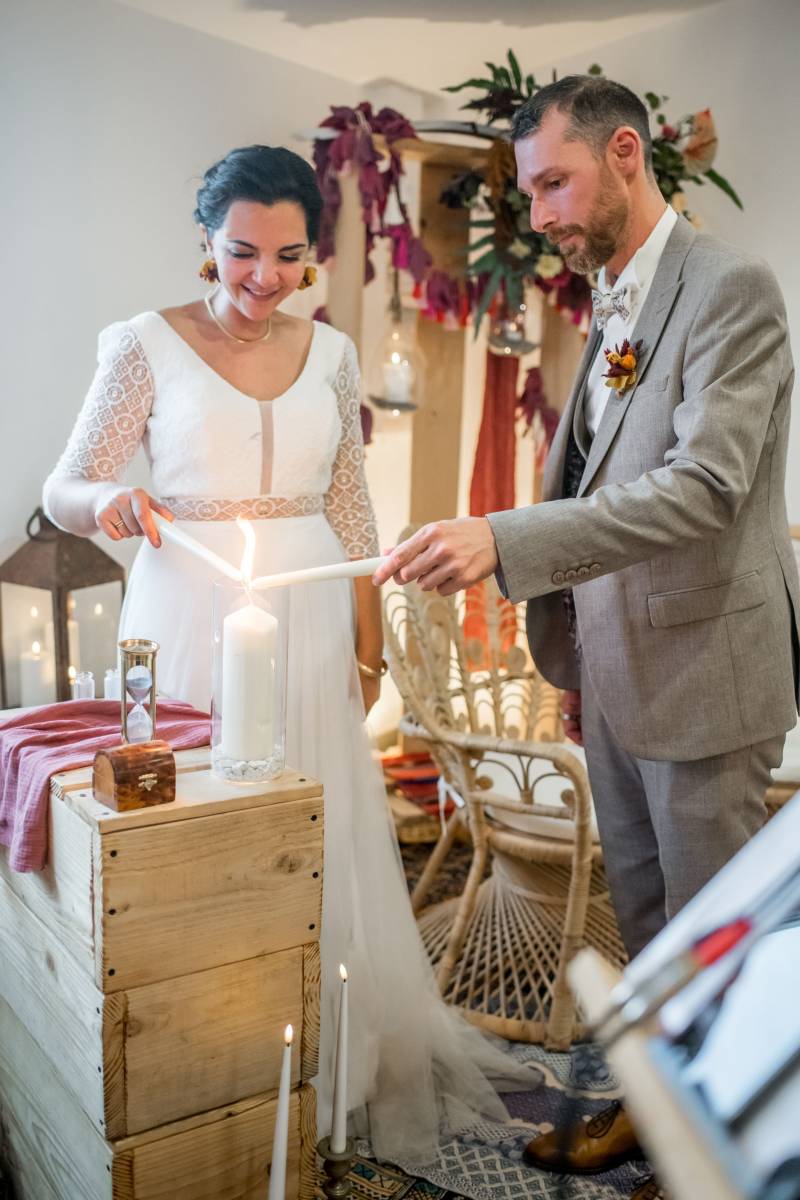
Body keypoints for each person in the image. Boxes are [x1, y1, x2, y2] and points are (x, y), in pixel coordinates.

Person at [43, 144, 535, 1165]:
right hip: (188, 605)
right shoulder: (145, 344)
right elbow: (64, 486)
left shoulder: (335, 352)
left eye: (287, 255)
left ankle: (327, 1063)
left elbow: (352, 511)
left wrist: (369, 648)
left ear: (312, 254)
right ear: (204, 242)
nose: (263, 276)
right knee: (201, 839)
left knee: (319, 831)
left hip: (308, 615)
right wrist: (110, 500)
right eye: (241, 252)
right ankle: (200, 1072)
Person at [373, 76, 800, 1182]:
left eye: (553, 184)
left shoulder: (729, 288)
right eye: (530, 193)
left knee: (710, 935)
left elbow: (704, 486)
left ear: (624, 154)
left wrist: (503, 538)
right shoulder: (615, 295)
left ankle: (726, 1155)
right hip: (614, 666)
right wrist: (574, 654)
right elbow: (603, 475)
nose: (541, 214)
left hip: (705, 666)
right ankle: (657, 1113)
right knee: (647, 920)